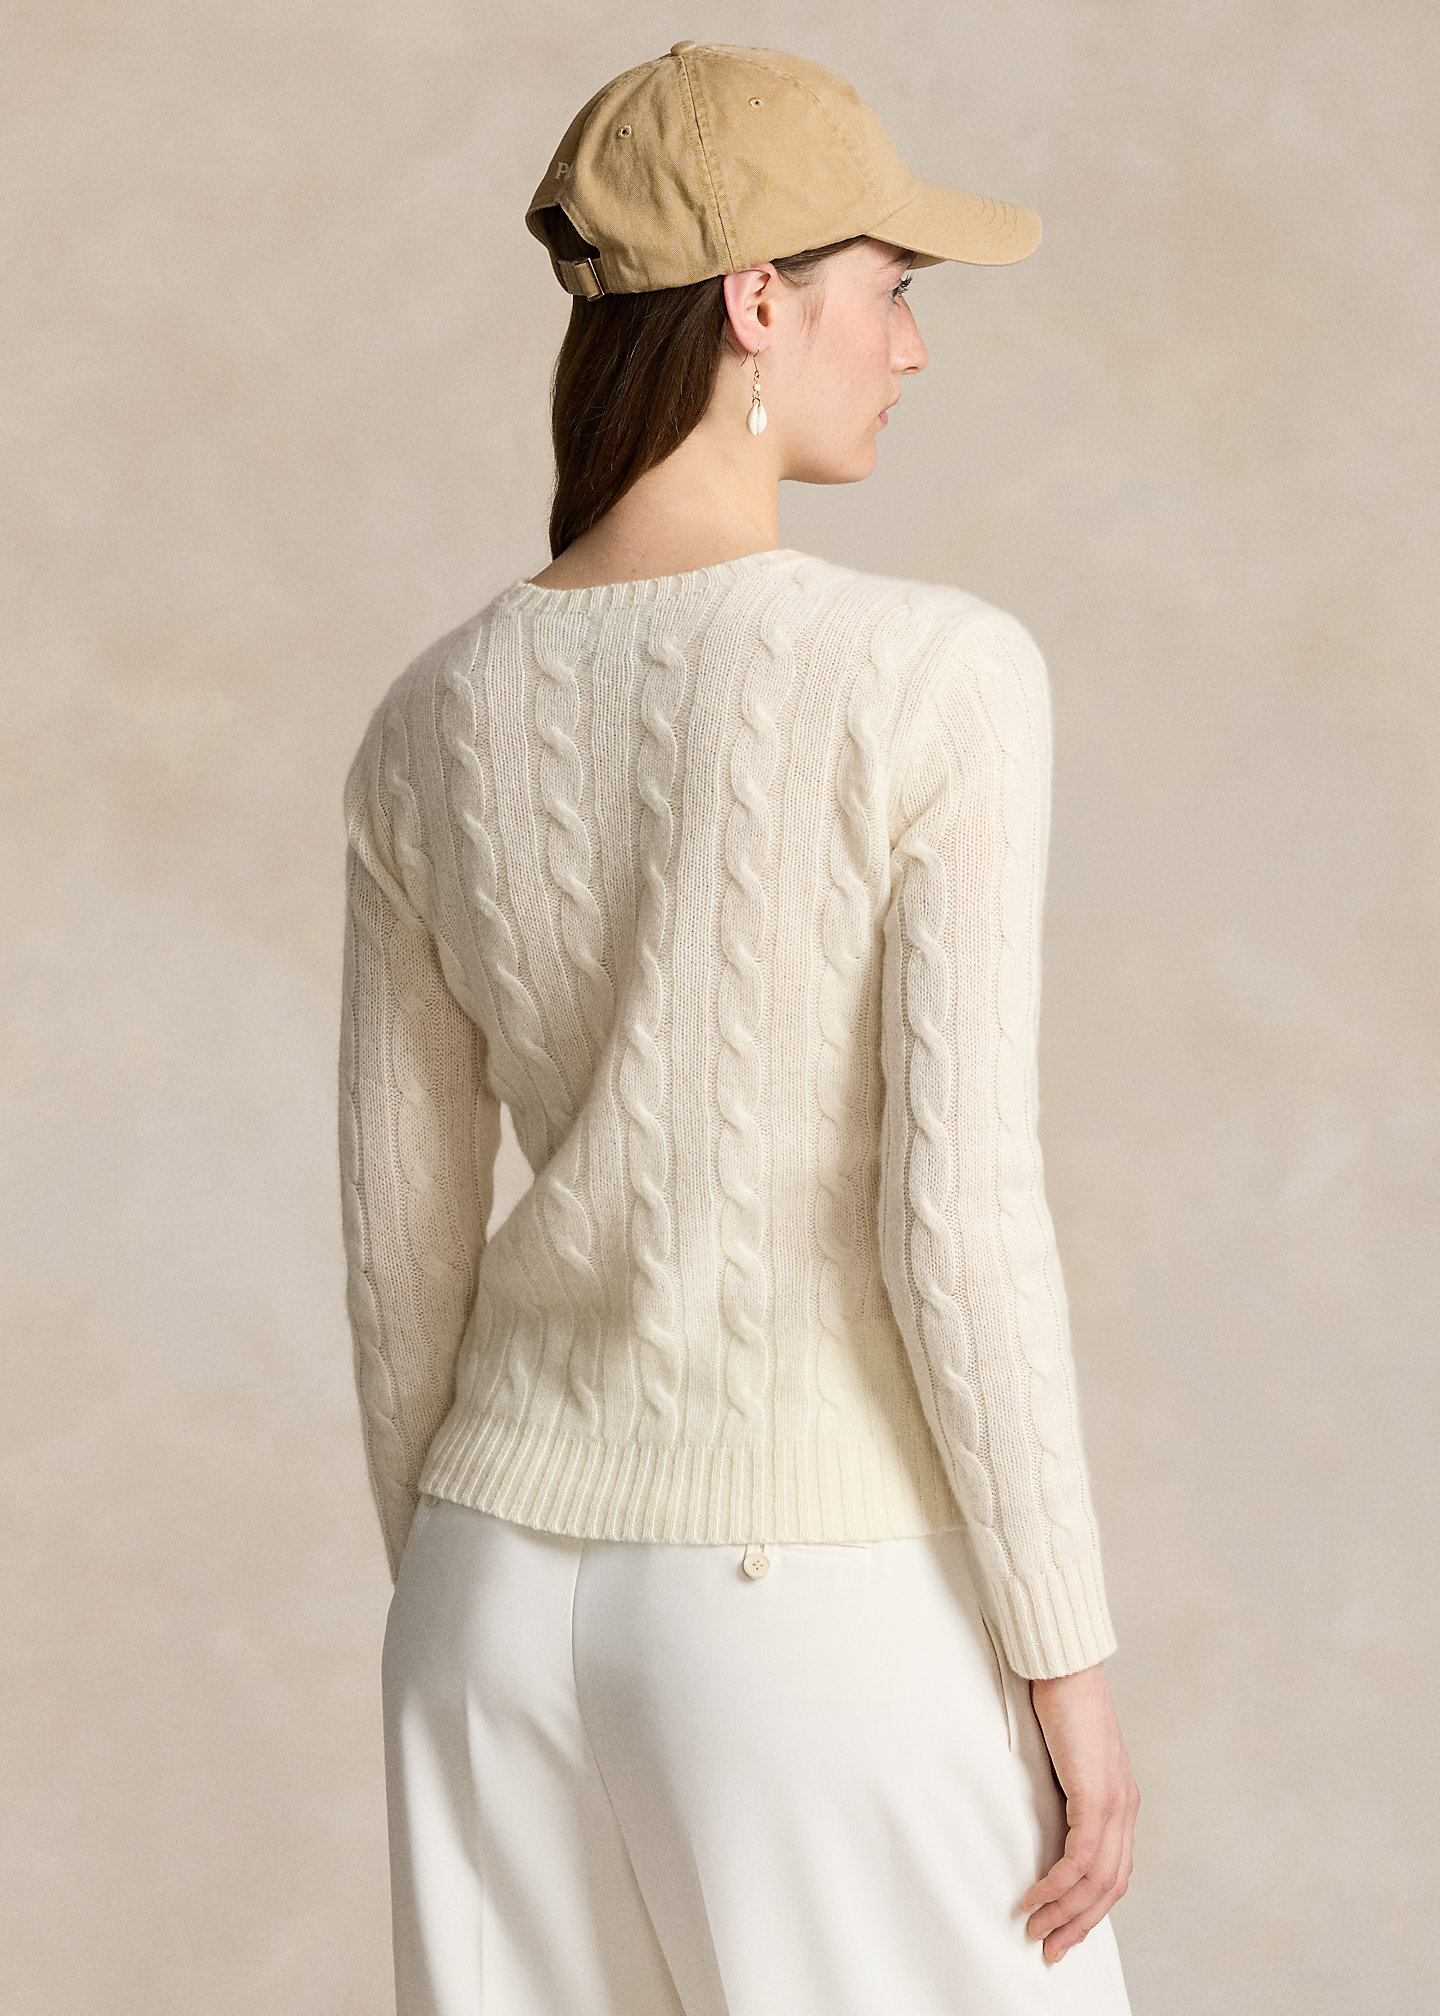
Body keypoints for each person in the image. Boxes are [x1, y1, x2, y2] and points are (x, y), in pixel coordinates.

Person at [338, 38, 1139, 2016]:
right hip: (805, 1603)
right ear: (758, 301)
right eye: (893, 287)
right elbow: (959, 1222)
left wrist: (469, 1591)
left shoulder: (426, 721)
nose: (914, 346)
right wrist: (1066, 1670)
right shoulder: (931, 674)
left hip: (480, 1600)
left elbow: (400, 1256)